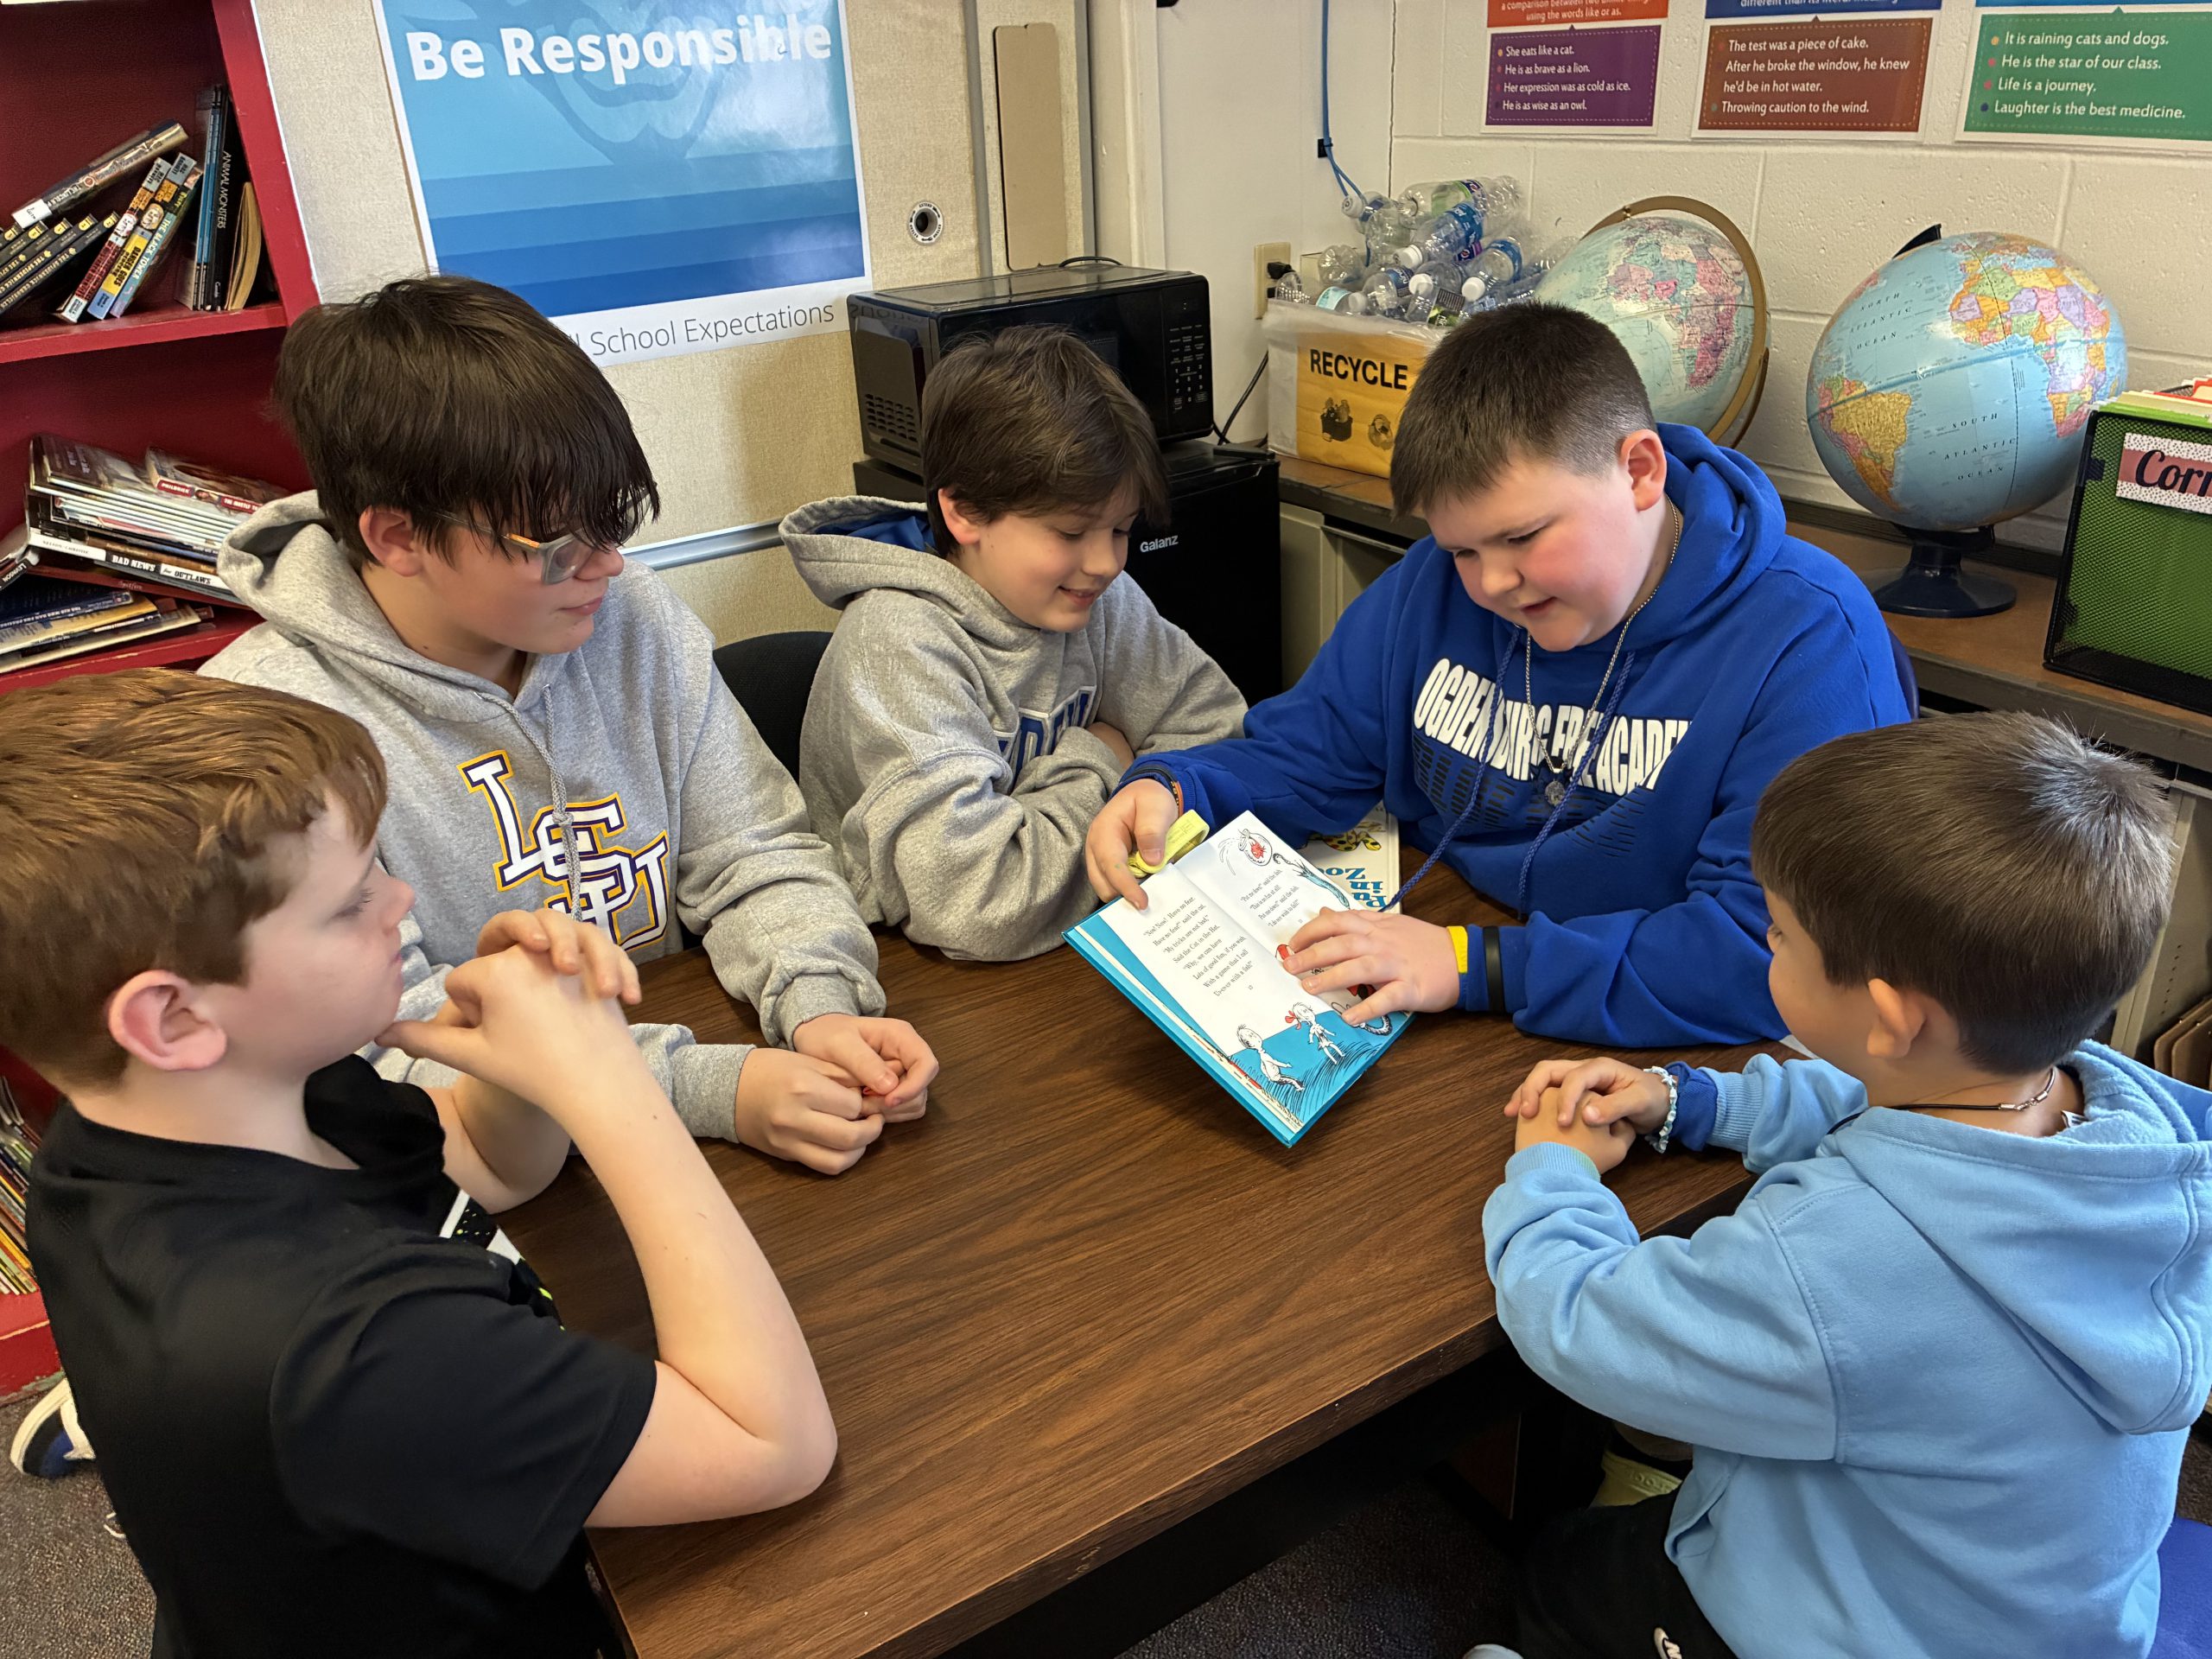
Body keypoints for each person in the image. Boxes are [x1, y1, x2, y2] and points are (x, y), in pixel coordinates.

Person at [4, 671, 837, 1656]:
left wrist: (522, 1063)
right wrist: (611, 1089)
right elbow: (772, 1444)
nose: (400, 899)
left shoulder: (198, 1117)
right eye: (352, 902)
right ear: (174, 1018)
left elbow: (489, 1161)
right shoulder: (346, 1350)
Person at [1486, 713, 2210, 1659]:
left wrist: (1552, 1168)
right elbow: (1884, 1098)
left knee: (1558, 1571)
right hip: (2049, 1622)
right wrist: (1692, 1101)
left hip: (1840, 1633)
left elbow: (1587, 1324)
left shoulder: (1830, 1259)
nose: (1766, 944)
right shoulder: (2137, 1122)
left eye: (1776, 932)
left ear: (1887, 1017)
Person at [204, 274, 935, 1176]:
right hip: (494, 1172)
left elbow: (754, 851)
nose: (609, 562)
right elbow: (382, 1044)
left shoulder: (632, 618)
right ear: (397, 537)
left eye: (614, 518)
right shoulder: (268, 731)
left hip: (685, 1114)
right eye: (555, 546)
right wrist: (705, 1089)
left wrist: (823, 1006)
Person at [1084, 303, 1911, 1046]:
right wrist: (1177, 787)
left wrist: (1474, 965)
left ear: (1640, 471)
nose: (1491, 585)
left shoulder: (1808, 638)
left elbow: (1763, 957)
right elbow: (1315, 749)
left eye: (1522, 538)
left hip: (1655, 1039)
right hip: (1453, 959)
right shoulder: (1433, 584)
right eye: (1462, 550)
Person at [783, 325, 1244, 961]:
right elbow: (978, 904)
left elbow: (1222, 734)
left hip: (1087, 942)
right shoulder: (898, 644)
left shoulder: (1093, 595)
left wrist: (1147, 789)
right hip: (925, 983)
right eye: (1072, 531)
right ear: (964, 513)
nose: (1108, 562)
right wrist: (1103, 757)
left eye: (1121, 529)